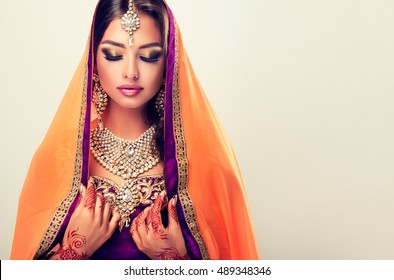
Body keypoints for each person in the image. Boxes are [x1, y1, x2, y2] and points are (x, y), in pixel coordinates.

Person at [11, 0, 259, 260]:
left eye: (149, 56)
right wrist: (75, 250)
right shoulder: (58, 158)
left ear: (169, 64)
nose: (130, 72)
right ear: (93, 61)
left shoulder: (204, 162)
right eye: (114, 55)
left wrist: (173, 258)